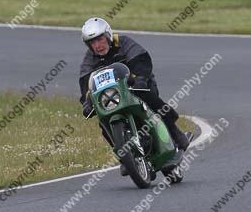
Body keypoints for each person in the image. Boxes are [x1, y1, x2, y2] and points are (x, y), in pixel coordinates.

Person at [79, 18, 193, 166]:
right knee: (103, 122)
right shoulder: (89, 58)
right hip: (113, 97)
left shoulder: (123, 42)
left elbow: (141, 59)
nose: (97, 45)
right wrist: (87, 102)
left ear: (107, 35)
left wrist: (141, 78)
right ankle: (125, 158)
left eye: (100, 40)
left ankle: (177, 135)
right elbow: (86, 81)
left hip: (138, 85)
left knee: (150, 100)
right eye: (92, 43)